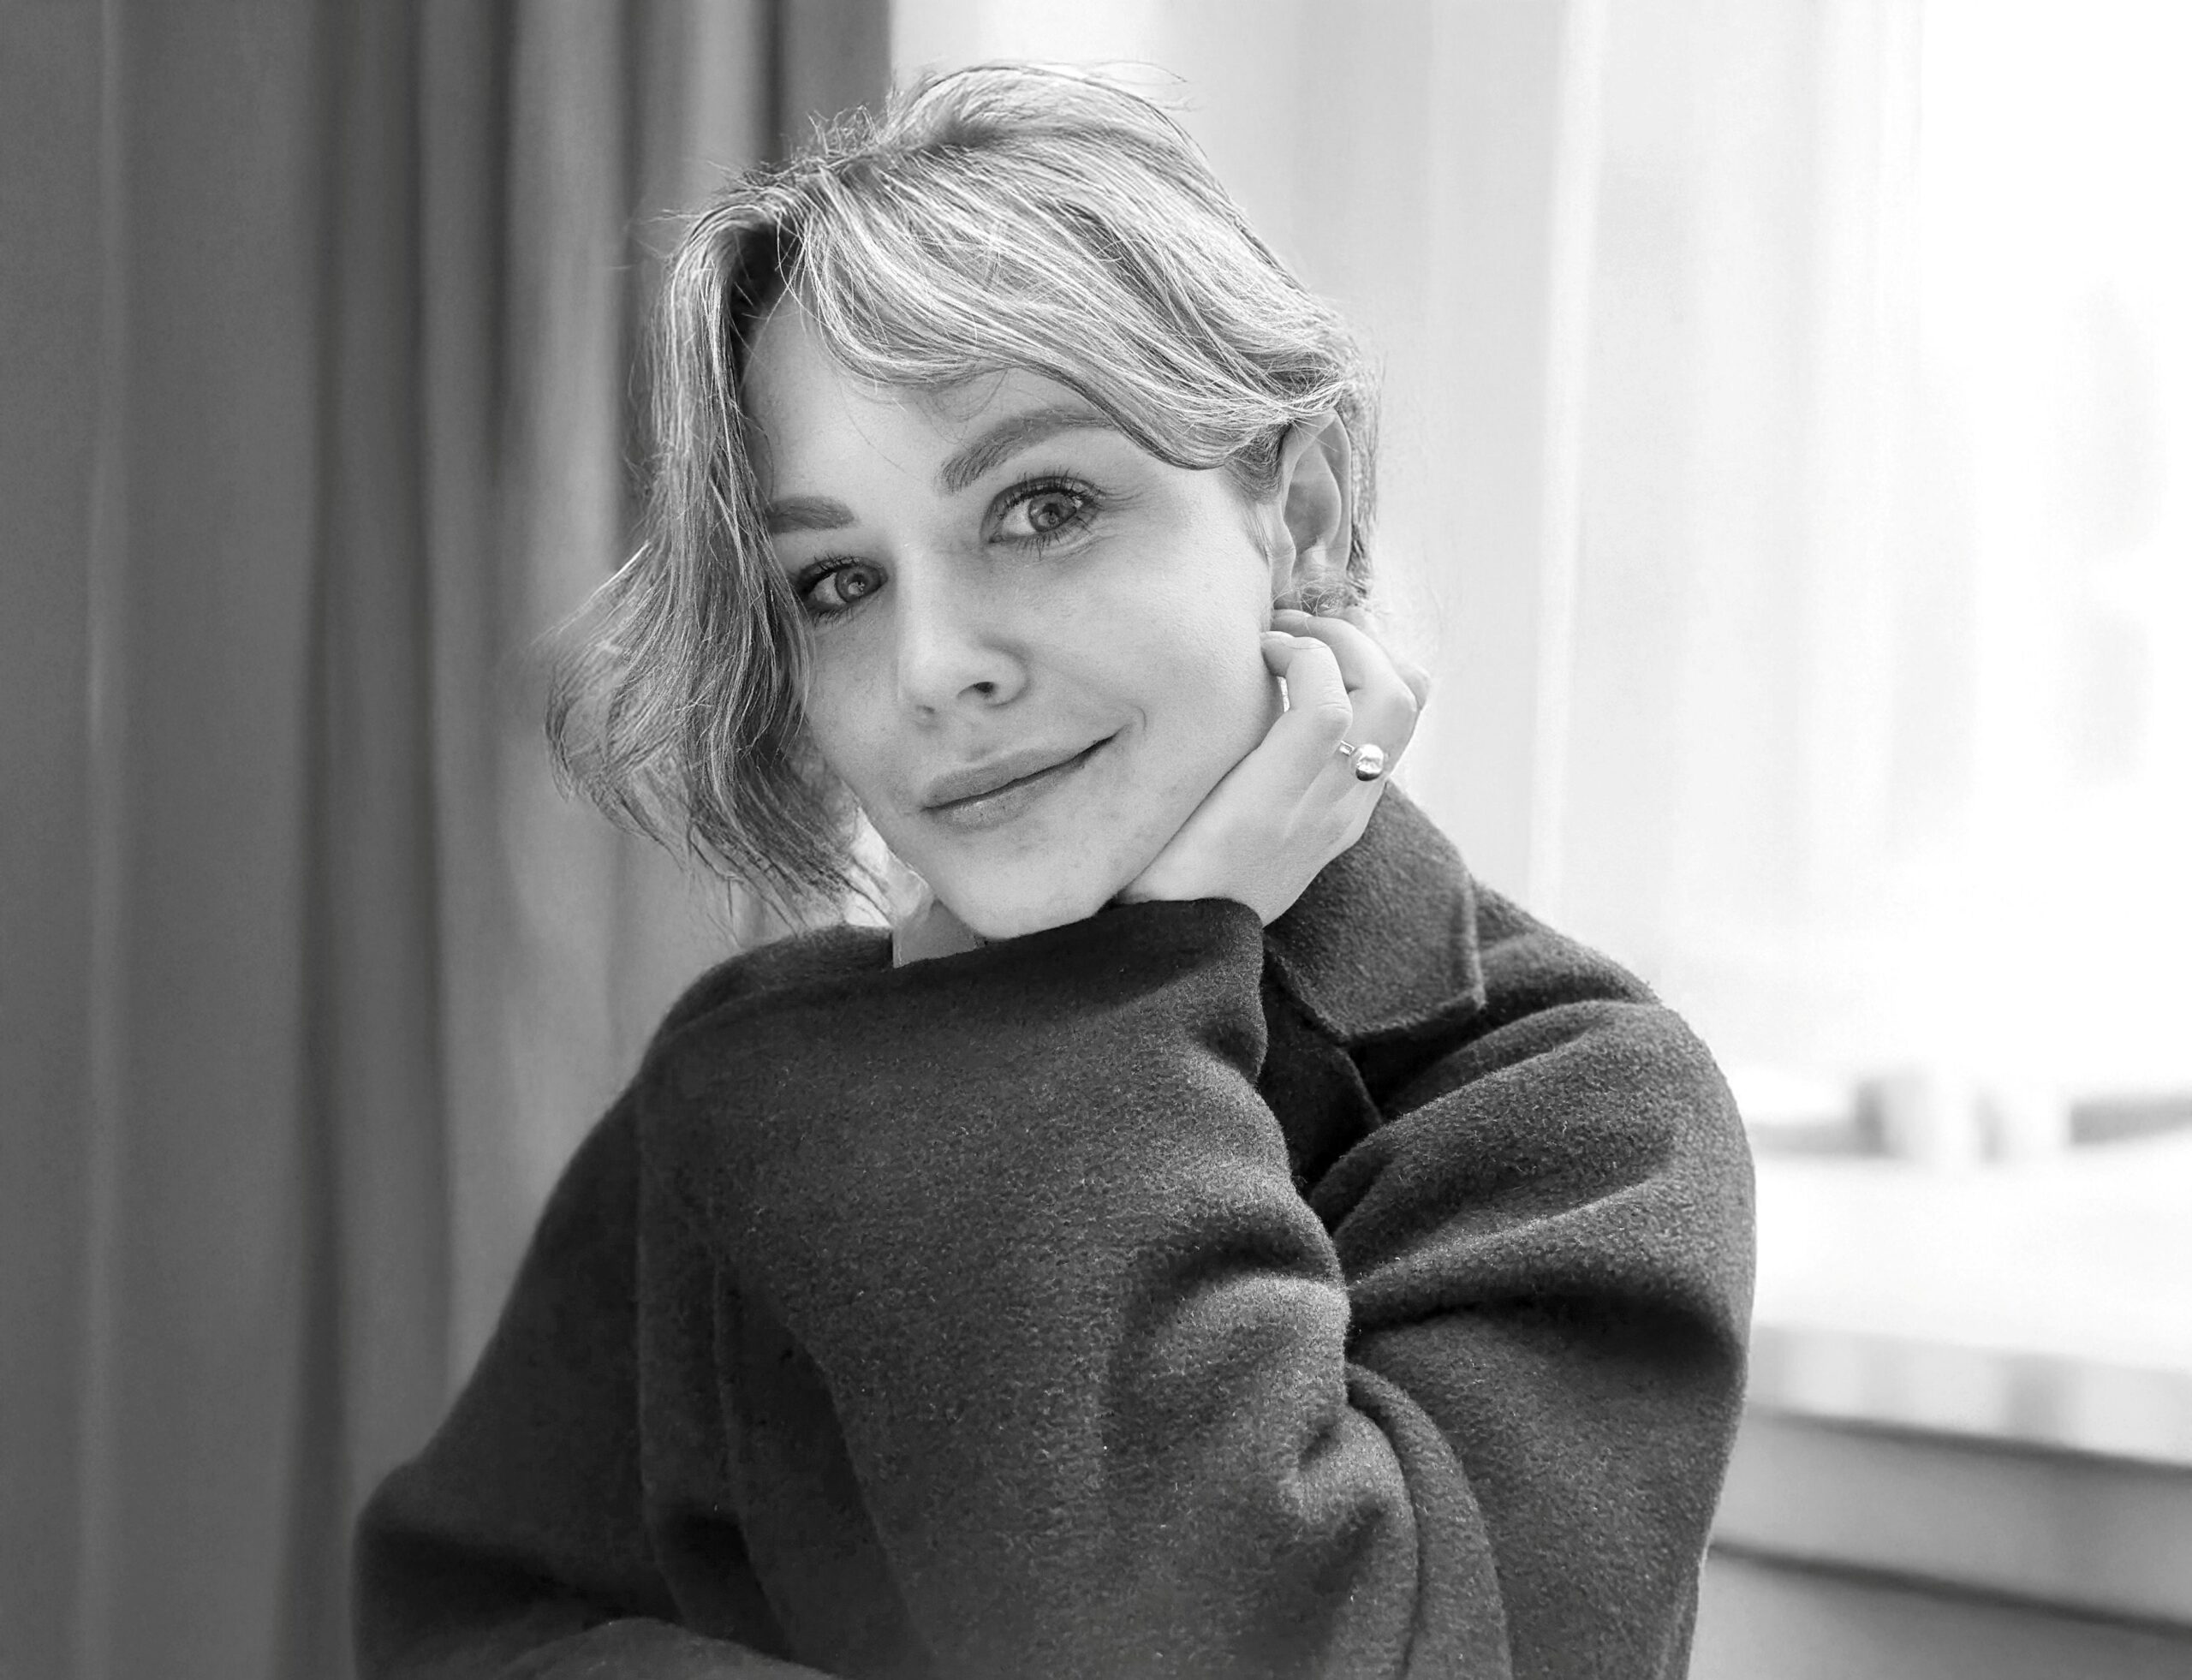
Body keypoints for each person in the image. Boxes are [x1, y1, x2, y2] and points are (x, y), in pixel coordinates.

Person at [353, 63, 1754, 1680]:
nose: (933, 665)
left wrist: (1120, 995)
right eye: (836, 581)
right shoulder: (745, 1071)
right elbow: (460, 1634)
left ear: (1297, 516)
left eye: (1044, 505)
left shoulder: (1581, 1113)